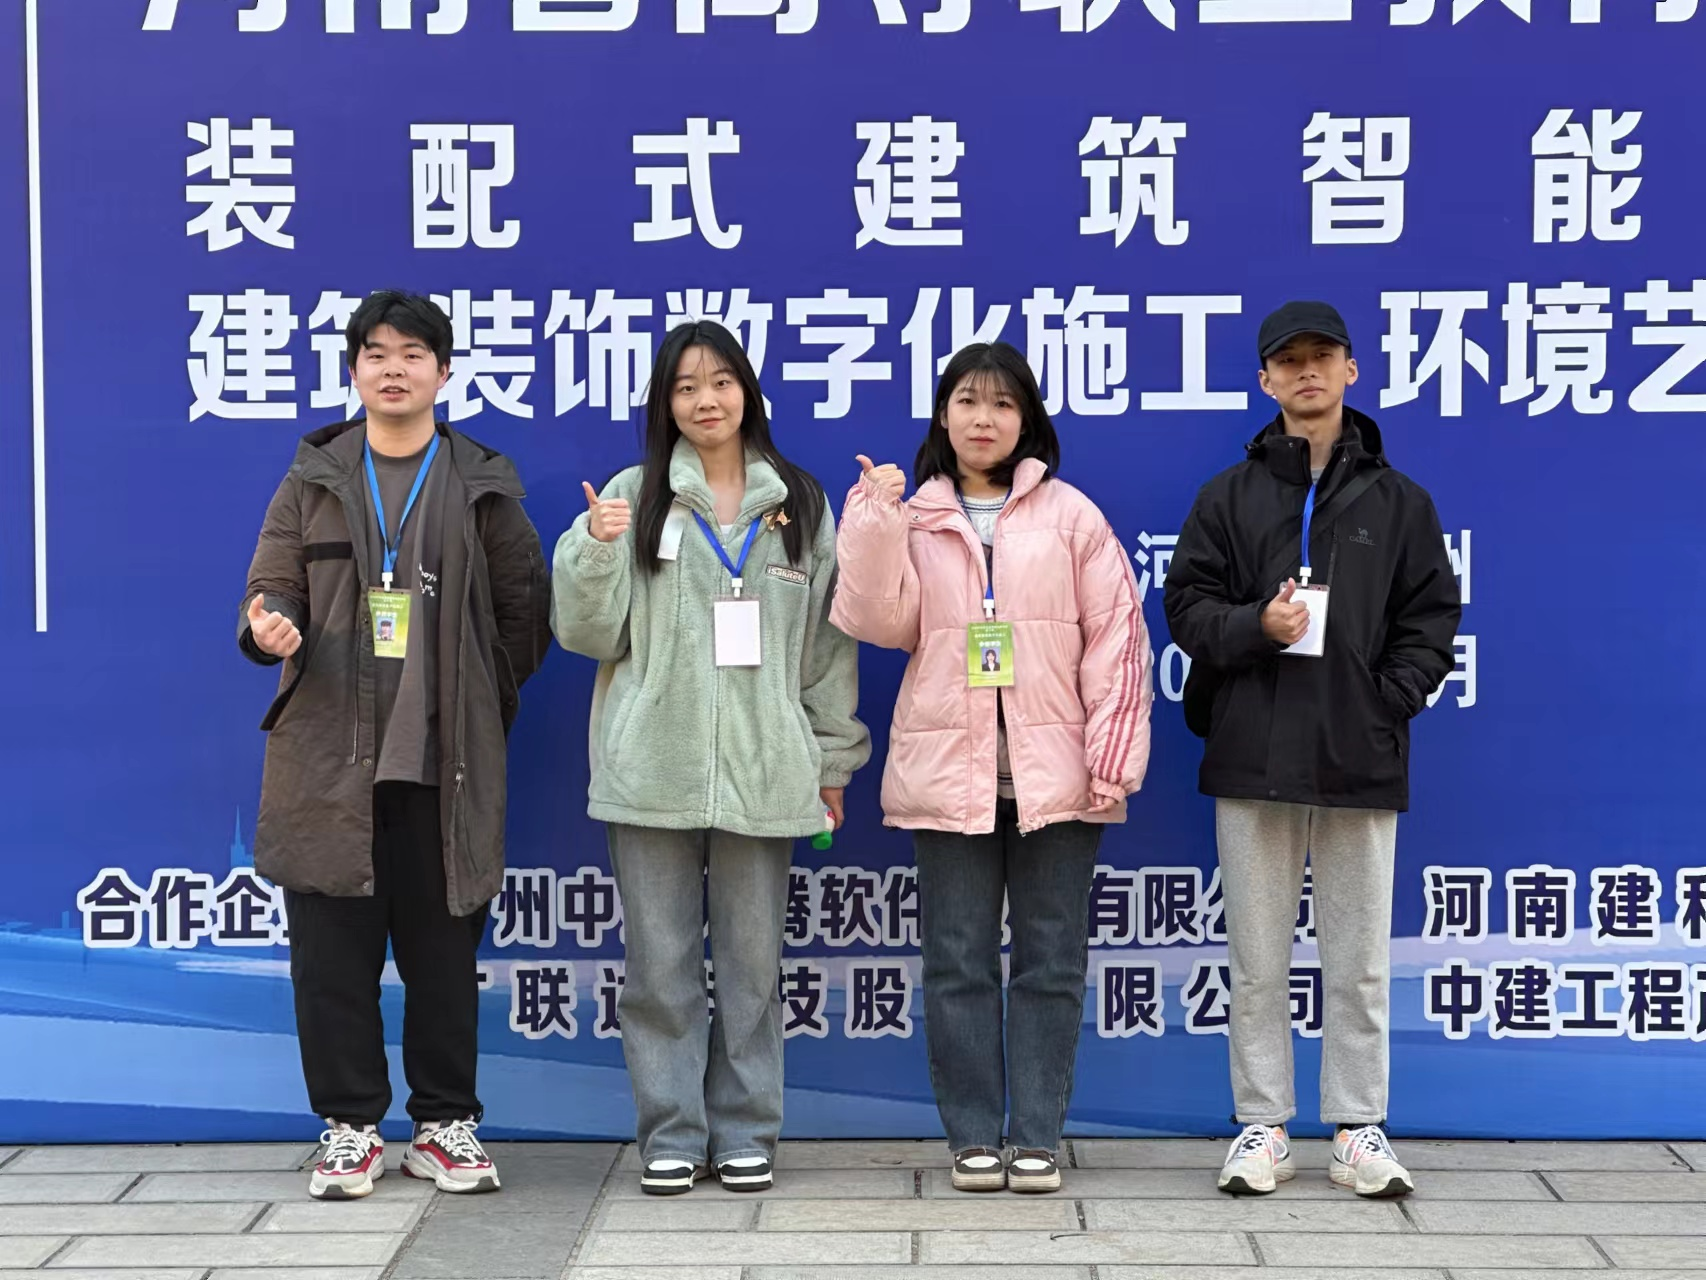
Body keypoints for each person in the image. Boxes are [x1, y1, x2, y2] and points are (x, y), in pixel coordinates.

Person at [238, 290, 552, 1200]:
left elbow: (525, 613)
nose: (394, 369)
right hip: (328, 763)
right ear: (354, 370)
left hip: (444, 765)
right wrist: (270, 625)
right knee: (330, 962)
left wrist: (477, 701)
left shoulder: (483, 483)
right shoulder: (313, 478)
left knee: (443, 958)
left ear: (444, 373)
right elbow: (270, 586)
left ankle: (444, 1124)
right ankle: (350, 1129)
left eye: (413, 354)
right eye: (376, 353)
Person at [552, 320, 870, 1196]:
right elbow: (588, 634)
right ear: (665, 403)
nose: (705, 400)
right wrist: (596, 548)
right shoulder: (634, 495)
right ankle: (670, 1132)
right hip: (651, 766)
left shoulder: (799, 502)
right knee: (659, 968)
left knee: (752, 967)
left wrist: (831, 761)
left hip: (767, 767)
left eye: (721, 382)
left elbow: (826, 648)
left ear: (748, 393)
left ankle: (745, 1131)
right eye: (685, 386)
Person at [831, 341, 1151, 1195]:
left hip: (1061, 779)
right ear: (943, 415)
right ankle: (974, 1135)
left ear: (1026, 420)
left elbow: (1118, 638)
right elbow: (875, 620)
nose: (984, 419)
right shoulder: (915, 516)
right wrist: (873, 520)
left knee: (1051, 961)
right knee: (957, 961)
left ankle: (1037, 1135)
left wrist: (1111, 755)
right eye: (968, 402)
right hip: (949, 775)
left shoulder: (1072, 517)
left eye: (1003, 404)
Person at [1164, 301, 1460, 1199]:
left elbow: (1431, 618)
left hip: (1357, 753)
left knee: (1359, 960)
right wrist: (1255, 625)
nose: (1306, 371)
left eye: (1321, 356)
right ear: (1265, 380)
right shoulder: (1228, 495)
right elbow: (1185, 608)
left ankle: (1357, 1127)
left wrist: (1386, 700)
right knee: (1257, 960)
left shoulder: (1399, 501)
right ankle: (1262, 1125)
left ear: (1351, 369)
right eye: (1287, 360)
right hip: (1252, 752)